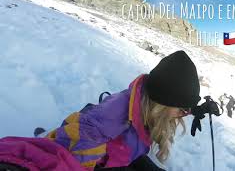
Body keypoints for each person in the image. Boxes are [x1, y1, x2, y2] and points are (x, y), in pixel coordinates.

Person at [0, 51, 201, 171]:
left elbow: (128, 144)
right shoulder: (113, 116)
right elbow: (72, 156)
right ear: (162, 104)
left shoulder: (148, 107)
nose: (184, 115)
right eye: (184, 110)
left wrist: (198, 108)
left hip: (120, 157)